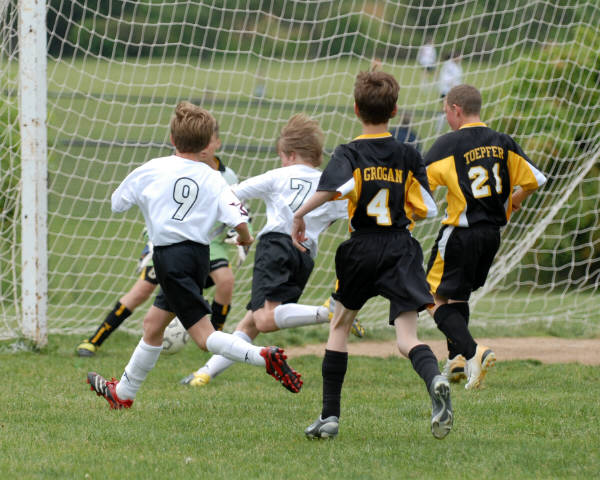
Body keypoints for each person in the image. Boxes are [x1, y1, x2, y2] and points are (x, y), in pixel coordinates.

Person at [87, 101, 303, 410]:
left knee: (204, 337)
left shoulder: (153, 168)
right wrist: (244, 238)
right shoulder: (214, 177)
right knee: (153, 324)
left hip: (169, 258)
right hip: (199, 258)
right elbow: (238, 218)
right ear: (206, 145)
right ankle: (123, 393)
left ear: (172, 139)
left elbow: (116, 203)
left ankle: (263, 356)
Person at [292, 71, 453, 440]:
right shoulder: (409, 154)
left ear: (355, 109)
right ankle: (434, 378)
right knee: (407, 338)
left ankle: (330, 416)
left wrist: (299, 215)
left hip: (361, 247)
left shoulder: (349, 152)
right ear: (394, 111)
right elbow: (427, 207)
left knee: (340, 326)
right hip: (400, 248)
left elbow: (330, 190)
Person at [180, 113, 365, 387]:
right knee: (251, 323)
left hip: (275, 245)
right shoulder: (327, 186)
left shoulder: (278, 175)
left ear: (290, 154)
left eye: (282, 157)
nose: (282, 162)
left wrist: (232, 224)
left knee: (265, 319)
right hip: (304, 257)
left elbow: (231, 193)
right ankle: (204, 374)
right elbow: (355, 214)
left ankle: (328, 311)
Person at [76, 123, 245, 357]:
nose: (207, 147)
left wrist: (241, 235)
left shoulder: (225, 177)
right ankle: (95, 340)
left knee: (225, 280)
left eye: (211, 141)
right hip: (169, 247)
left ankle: (216, 342)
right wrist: (150, 244)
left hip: (209, 246)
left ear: (217, 143)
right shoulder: (168, 169)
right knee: (142, 292)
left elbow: (239, 210)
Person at [424, 84, 547, 390]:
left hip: (459, 234)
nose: (446, 118)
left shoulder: (449, 144)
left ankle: (473, 351)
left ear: (456, 110)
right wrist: (514, 200)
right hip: (491, 236)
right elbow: (536, 179)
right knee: (458, 296)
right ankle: (457, 361)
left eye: (446, 112)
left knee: (427, 295)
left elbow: (420, 183)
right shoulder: (503, 142)